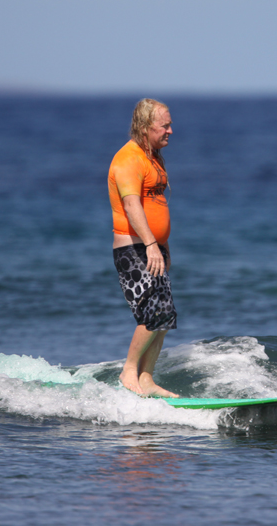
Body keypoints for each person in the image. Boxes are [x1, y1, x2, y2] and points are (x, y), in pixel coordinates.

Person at [108, 98, 178, 398]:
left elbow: (154, 205)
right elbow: (131, 204)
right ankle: (129, 371)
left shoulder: (153, 157)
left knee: (166, 316)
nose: (170, 131)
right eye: (164, 125)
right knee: (154, 312)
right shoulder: (128, 159)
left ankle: (146, 379)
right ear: (146, 127)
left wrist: (162, 246)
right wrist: (151, 244)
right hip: (133, 250)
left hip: (152, 248)